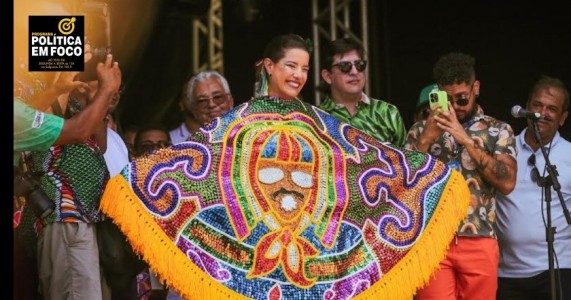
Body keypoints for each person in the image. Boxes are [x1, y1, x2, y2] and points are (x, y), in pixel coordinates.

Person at [404, 52, 517, 300]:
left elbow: (507, 182)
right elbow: (402, 186)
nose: (455, 107)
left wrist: (465, 139)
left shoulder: (499, 129)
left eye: (462, 99)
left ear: (476, 88)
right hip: (432, 241)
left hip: (479, 238)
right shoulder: (419, 131)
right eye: (448, 99)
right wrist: (425, 140)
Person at [496, 76, 571, 300]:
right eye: (537, 105)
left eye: (551, 108)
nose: (542, 113)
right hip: (507, 273)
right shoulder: (503, 150)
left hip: (558, 269)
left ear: (563, 118)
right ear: (527, 108)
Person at [318, 38, 406, 146]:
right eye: (345, 66)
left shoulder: (387, 112)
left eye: (360, 64)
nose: (354, 72)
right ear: (327, 76)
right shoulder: (316, 118)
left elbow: (406, 161)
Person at [169, 71, 234, 144]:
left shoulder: (248, 135)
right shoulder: (184, 148)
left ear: (230, 101)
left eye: (217, 97)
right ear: (193, 109)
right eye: (202, 101)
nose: (211, 104)